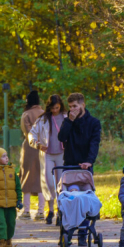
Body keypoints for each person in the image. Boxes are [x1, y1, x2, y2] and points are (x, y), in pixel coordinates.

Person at [36, 94, 67, 225]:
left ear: (60, 105)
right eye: (52, 108)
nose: (55, 110)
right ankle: (50, 209)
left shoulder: (66, 116)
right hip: (47, 153)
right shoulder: (43, 119)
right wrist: (37, 144)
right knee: (49, 182)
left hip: (62, 153)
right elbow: (32, 133)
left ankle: (60, 210)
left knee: (61, 183)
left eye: (57, 107)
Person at [18, 90, 45, 219]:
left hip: (29, 147)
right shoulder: (45, 113)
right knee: (41, 178)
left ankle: (26, 211)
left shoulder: (26, 114)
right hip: (44, 147)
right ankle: (41, 211)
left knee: (27, 177)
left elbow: (26, 130)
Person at [57, 92, 101, 170]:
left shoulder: (94, 122)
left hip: (85, 164)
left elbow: (94, 143)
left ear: (83, 105)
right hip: (69, 164)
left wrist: (89, 161)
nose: (72, 109)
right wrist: (70, 121)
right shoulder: (67, 121)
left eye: (75, 106)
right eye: (70, 107)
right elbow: (61, 137)